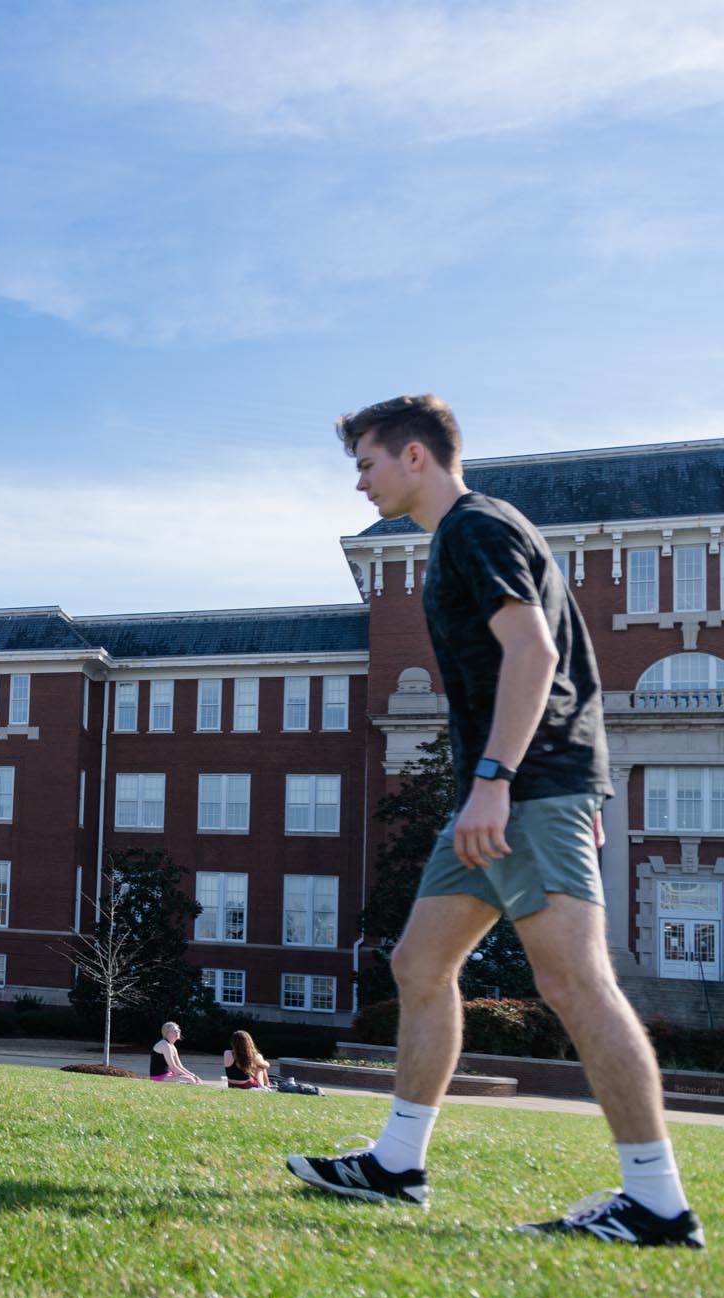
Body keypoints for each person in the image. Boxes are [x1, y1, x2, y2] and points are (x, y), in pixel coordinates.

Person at [288, 395, 701, 1247]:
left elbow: (537, 655)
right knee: (419, 963)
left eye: (365, 464)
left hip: (519, 790)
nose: (359, 483)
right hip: (512, 794)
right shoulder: (459, 539)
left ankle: (657, 1202)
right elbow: (570, 664)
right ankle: (398, 1164)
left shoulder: (476, 527)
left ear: (414, 456)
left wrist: (497, 781)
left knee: (576, 982)